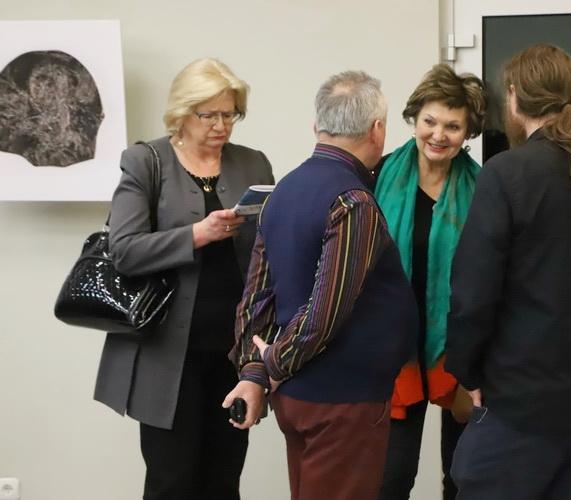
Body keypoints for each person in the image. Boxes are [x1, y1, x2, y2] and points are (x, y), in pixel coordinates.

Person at [445, 44, 571, 500]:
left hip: (523, 400)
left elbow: (474, 292)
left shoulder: (506, 173)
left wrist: (467, 372)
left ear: (514, 97)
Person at [224, 70, 418, 500]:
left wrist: (255, 371)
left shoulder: (281, 191)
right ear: (377, 130)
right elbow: (324, 313)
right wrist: (271, 365)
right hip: (342, 399)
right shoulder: (353, 201)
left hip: (302, 397)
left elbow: (256, 296)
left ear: (317, 127)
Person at [93, 58, 274, 500]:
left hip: (233, 352)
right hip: (167, 354)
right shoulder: (145, 161)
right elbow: (124, 250)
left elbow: (271, 250)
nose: (220, 126)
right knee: (171, 482)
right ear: (181, 112)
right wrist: (198, 234)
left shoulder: (253, 163)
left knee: (224, 480)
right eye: (208, 115)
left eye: (229, 114)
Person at [374, 64, 486, 500]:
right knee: (392, 478)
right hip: (394, 350)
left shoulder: (484, 189)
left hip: (460, 349)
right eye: (430, 121)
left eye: (452, 126)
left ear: (468, 132)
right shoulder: (378, 175)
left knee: (463, 477)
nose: (438, 135)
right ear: (414, 119)